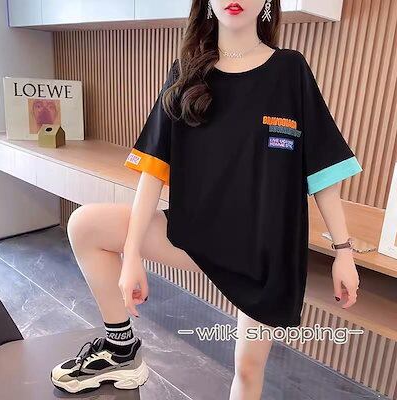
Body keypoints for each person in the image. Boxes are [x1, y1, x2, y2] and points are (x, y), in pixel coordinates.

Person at [50, 0, 362, 398]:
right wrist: (132, 253)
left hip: (264, 256)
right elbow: (153, 171)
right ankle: (121, 350)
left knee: (247, 369)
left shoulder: (290, 71)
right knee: (85, 225)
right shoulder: (186, 74)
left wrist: (344, 251)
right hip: (196, 237)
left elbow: (323, 169)